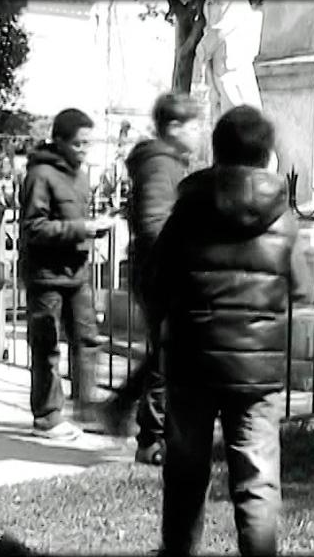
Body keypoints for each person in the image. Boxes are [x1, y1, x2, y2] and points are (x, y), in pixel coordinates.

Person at [145, 105, 309, 555]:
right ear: (267, 155)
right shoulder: (283, 218)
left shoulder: (186, 210)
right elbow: (302, 287)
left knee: (185, 474)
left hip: (191, 362)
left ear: (215, 152)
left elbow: (157, 280)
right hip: (256, 371)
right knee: (257, 481)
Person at [98, 93, 202, 465]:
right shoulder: (160, 165)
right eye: (193, 126)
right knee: (167, 356)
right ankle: (150, 438)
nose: (199, 133)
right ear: (173, 127)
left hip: (158, 270)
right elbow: (154, 222)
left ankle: (124, 411)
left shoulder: (165, 162)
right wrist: (182, 259)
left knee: (165, 353)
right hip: (162, 273)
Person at [19, 108, 115, 440]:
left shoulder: (80, 176)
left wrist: (94, 228)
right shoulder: (40, 175)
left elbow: (74, 221)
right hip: (46, 275)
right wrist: (81, 228)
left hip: (76, 271)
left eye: (88, 143)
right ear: (59, 141)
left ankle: (87, 409)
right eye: (78, 144)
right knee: (47, 345)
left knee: (87, 341)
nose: (84, 150)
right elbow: (33, 227)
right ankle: (47, 416)